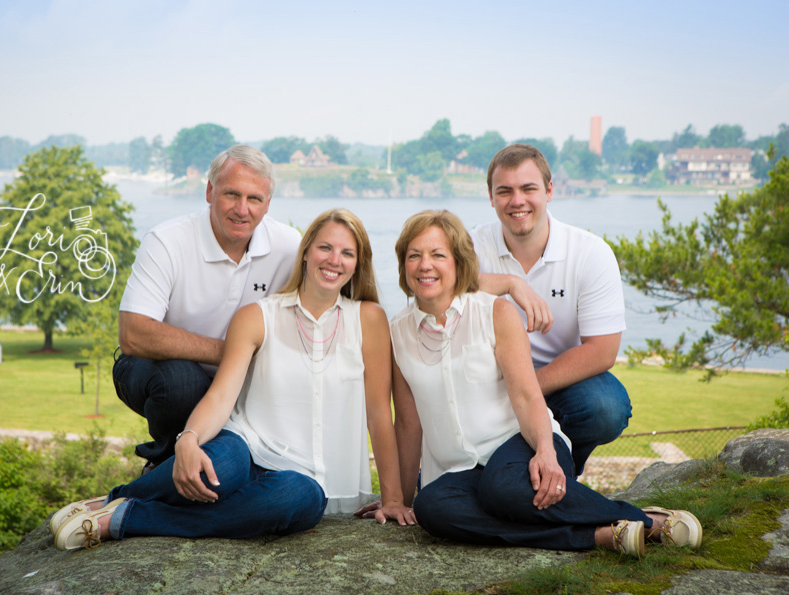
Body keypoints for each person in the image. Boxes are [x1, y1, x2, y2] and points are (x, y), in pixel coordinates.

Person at [51, 209, 416, 550]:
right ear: (305, 253)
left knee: (301, 496)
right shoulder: (257, 316)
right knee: (221, 465)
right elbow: (221, 395)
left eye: (347, 253)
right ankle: (113, 500)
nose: (334, 260)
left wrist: (394, 499)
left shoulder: (369, 319)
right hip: (249, 448)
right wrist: (188, 439)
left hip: (302, 481)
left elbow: (378, 413)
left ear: (358, 264)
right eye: (325, 248)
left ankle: (126, 517)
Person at [385, 209, 701, 556]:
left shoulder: (494, 312)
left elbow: (527, 396)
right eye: (414, 256)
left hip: (520, 444)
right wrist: (398, 500)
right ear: (403, 265)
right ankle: (600, 535)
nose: (424, 265)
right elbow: (408, 424)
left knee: (503, 487)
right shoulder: (397, 332)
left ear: (459, 263)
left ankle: (648, 521)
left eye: (437, 255)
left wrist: (546, 451)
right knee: (432, 507)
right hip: (457, 472)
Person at [114, 145, 301, 474]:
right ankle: (163, 463)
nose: (242, 209)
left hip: (238, 380)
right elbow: (133, 334)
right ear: (210, 191)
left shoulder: (289, 247)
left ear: (268, 203)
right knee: (182, 383)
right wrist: (232, 354)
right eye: (231, 194)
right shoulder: (166, 241)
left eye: (254, 199)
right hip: (153, 368)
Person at [470, 143, 631, 474]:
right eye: (504, 191)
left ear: (549, 191)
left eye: (528, 189)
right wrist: (510, 283)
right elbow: (437, 292)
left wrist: (525, 390)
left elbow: (602, 351)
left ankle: (563, 466)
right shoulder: (471, 247)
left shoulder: (590, 253)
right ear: (491, 197)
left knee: (606, 407)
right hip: (488, 384)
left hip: (558, 384)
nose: (517, 201)